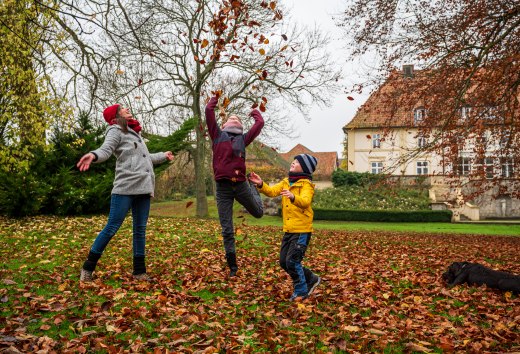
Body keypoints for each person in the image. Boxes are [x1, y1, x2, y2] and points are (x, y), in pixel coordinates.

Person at [77, 104, 174, 282]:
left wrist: (163, 155)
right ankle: (87, 268)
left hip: (143, 188)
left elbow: (146, 158)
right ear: (116, 116)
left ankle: (139, 272)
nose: (128, 109)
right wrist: (93, 155)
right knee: (112, 227)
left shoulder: (134, 133)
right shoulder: (115, 130)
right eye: (123, 109)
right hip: (126, 187)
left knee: (140, 230)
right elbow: (106, 150)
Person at [205, 95, 264, 277]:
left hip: (240, 185)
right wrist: (215, 99)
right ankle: (233, 267)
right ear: (224, 125)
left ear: (240, 125)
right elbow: (208, 112)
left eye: (237, 118)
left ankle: (254, 187)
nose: (234, 118)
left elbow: (259, 124)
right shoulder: (217, 135)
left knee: (258, 212)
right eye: (231, 118)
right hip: (223, 189)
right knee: (227, 229)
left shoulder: (243, 140)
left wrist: (254, 112)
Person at [249, 154, 321, 301]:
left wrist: (293, 197)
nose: (293, 163)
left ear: (305, 167)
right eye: (293, 161)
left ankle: (301, 291)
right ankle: (310, 278)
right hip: (289, 229)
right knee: (284, 262)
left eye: (297, 162)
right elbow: (272, 192)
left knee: (292, 261)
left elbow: (306, 202)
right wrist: (261, 183)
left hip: (302, 230)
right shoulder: (286, 182)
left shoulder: (306, 184)